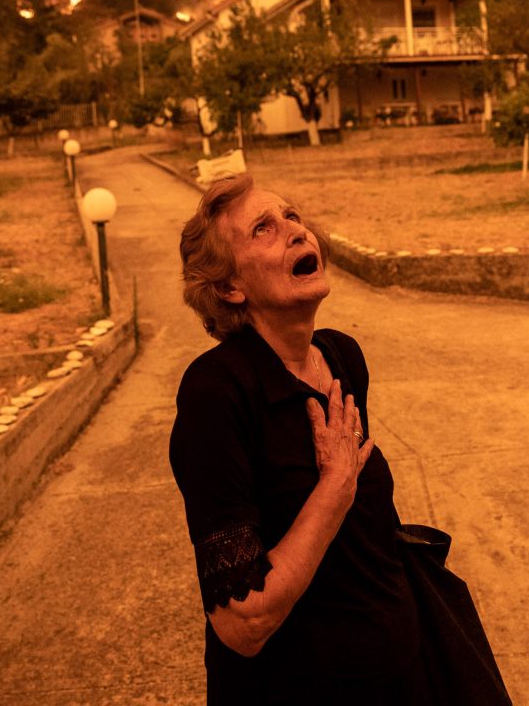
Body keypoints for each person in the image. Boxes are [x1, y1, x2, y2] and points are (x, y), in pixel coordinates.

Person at [169, 173, 430, 704]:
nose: (295, 230)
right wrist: (334, 489)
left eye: (292, 216)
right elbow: (243, 622)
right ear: (228, 286)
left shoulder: (341, 357)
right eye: (263, 229)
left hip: (400, 678)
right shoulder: (216, 393)